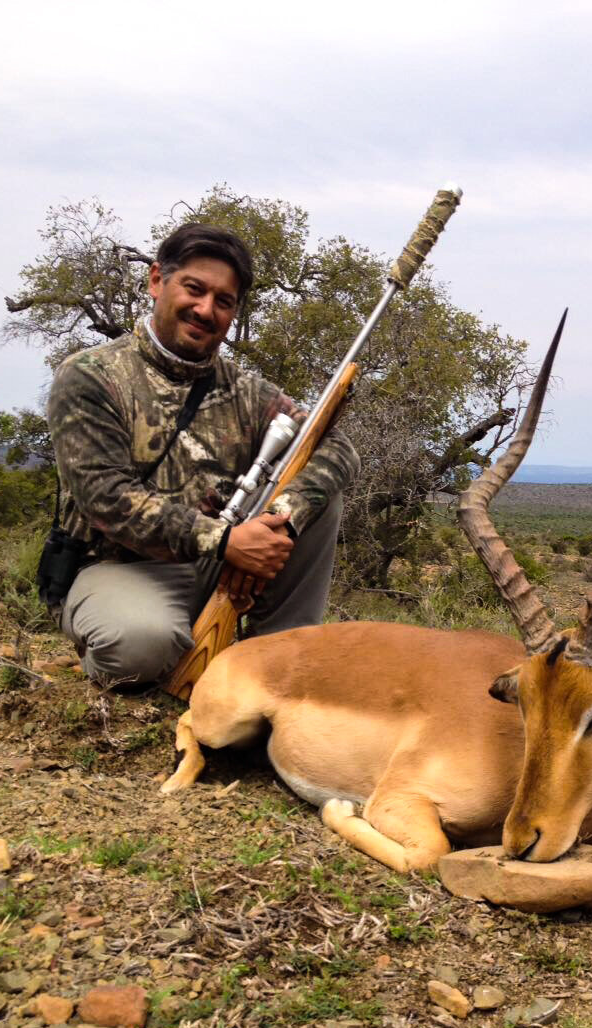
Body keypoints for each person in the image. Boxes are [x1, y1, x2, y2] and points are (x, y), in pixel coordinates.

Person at [46, 223, 359, 687]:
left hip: (222, 566)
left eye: (224, 301)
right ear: (157, 281)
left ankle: (279, 659)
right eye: (194, 289)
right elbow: (106, 498)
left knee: (314, 492)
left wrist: (279, 520)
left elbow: (338, 448)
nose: (205, 309)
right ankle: (134, 650)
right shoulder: (90, 376)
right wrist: (228, 541)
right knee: (139, 649)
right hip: (118, 568)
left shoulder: (246, 390)